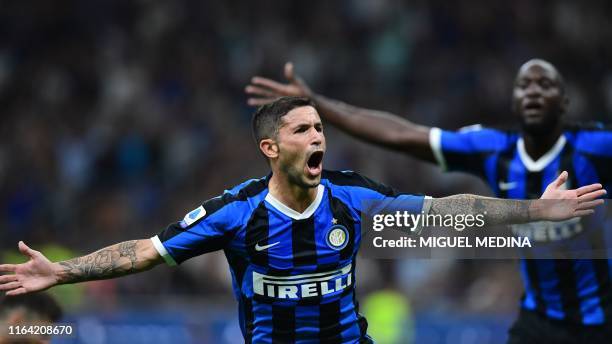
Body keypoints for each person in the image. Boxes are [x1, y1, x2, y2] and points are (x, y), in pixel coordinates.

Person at [0, 97, 605, 343]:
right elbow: (148, 251)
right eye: (303, 130)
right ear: (270, 148)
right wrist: (63, 273)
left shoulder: (352, 200)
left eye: (320, 127)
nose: (319, 136)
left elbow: (453, 213)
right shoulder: (236, 213)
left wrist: (534, 209)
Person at [245, 60, 612, 342]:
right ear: (514, 100)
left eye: (544, 84)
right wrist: (317, 105)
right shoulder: (493, 148)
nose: (532, 91)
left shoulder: (597, 147)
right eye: (523, 85)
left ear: (564, 101)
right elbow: (402, 135)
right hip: (539, 321)